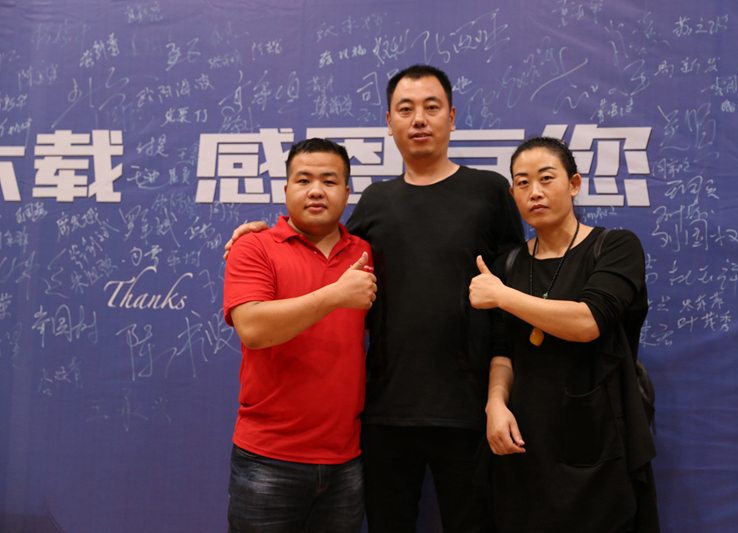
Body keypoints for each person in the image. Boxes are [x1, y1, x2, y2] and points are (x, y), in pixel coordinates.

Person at [225, 65, 524, 532]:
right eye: (406, 109)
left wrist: (498, 396)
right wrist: (255, 235)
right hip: (384, 414)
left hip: (469, 410)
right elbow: (321, 239)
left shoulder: (488, 192)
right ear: (389, 122)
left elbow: (512, 293)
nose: (419, 119)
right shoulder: (376, 203)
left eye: (431, 107)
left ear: (452, 117)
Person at [469, 137, 660, 532]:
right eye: (522, 183)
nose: (534, 192)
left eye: (546, 178)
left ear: (573, 184)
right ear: (513, 195)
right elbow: (503, 351)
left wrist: (503, 296)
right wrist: (495, 404)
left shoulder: (615, 246)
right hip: (524, 439)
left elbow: (588, 322)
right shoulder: (509, 263)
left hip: (598, 436)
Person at [223, 138, 377, 533]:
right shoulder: (253, 247)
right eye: (303, 180)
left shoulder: (363, 252)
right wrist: (335, 295)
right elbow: (253, 329)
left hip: (346, 460)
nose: (316, 191)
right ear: (286, 188)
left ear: (347, 192)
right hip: (268, 458)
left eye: (329, 181)